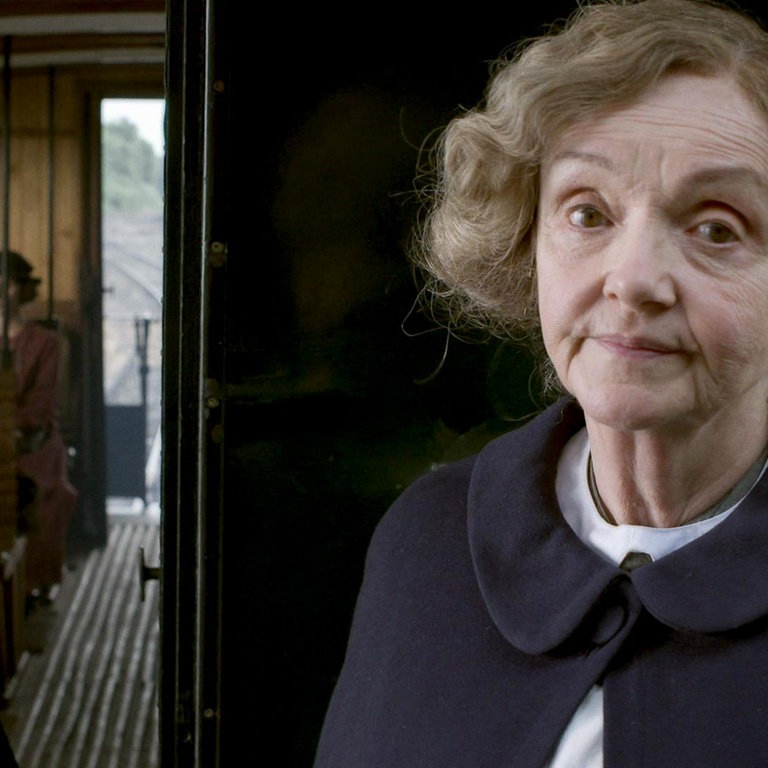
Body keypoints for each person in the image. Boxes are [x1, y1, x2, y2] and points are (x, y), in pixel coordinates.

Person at [312, 1, 768, 765]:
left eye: (716, 227)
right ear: (528, 240)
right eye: (588, 214)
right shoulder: (424, 541)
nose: (633, 278)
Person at [1, 251, 77, 609]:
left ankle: (34, 582)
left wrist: (13, 430)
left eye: (8, 285)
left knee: (45, 495)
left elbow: (42, 403)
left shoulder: (44, 343)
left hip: (32, 443)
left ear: (21, 290)